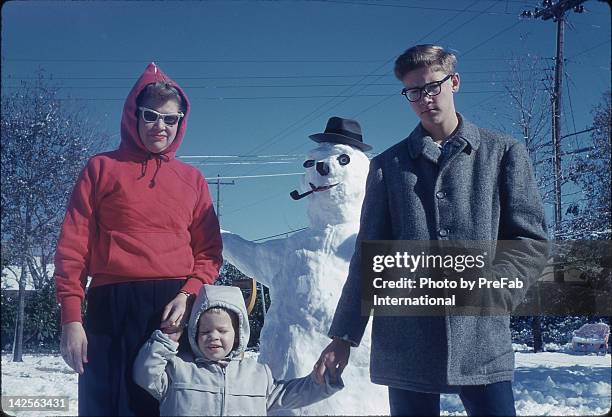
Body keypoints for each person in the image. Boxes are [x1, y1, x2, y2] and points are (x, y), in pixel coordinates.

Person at [315, 44, 548, 416]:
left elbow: (529, 242)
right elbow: (367, 258)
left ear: (453, 81)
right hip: (406, 339)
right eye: (413, 92)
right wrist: (343, 336)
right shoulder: (386, 166)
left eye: (432, 86)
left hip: (481, 338)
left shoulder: (503, 153)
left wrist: (497, 292)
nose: (424, 99)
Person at [54, 62, 223, 416]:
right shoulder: (100, 168)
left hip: (171, 308)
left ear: (180, 122)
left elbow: (208, 252)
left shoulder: (192, 180)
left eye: (170, 119)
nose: (160, 126)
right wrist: (72, 317)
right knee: (108, 405)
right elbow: (73, 247)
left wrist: (188, 293)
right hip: (110, 307)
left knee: (168, 404)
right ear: (134, 115)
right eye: (151, 116)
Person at [133, 284, 344, 416]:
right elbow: (145, 374)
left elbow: (289, 395)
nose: (213, 336)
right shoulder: (179, 368)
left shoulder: (256, 375)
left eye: (222, 330)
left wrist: (319, 383)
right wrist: (165, 341)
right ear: (195, 333)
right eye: (205, 330)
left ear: (238, 334)